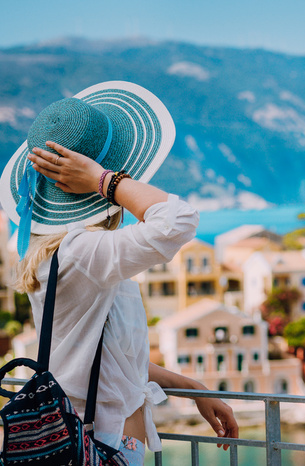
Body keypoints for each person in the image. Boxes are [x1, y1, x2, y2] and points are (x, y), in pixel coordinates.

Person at [0, 82, 238, 465]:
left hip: (84, 442)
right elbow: (179, 220)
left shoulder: (65, 254)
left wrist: (190, 386)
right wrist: (103, 179)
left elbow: (103, 355)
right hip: (104, 448)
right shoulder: (81, 252)